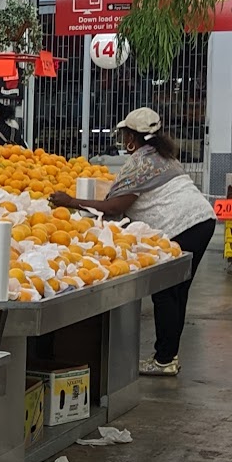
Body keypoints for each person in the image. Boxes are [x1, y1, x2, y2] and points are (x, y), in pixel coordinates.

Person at [49, 107, 216, 377]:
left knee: (166, 292)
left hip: (182, 227)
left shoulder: (140, 164)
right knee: (178, 292)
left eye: (125, 134)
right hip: (203, 221)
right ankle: (168, 357)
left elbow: (115, 206)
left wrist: (71, 201)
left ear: (130, 137)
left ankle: (164, 359)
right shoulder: (164, 156)